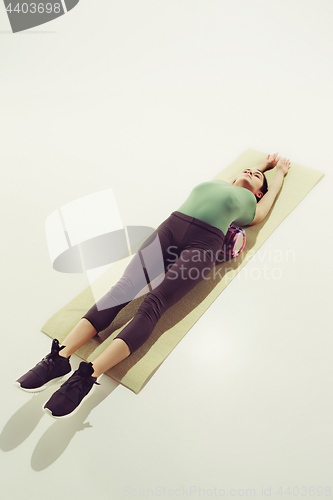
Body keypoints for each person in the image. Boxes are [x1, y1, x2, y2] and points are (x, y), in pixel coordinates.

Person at [15, 153, 291, 418]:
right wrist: (262, 164)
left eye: (257, 177)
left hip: (204, 244)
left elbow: (270, 199)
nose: (252, 173)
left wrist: (277, 172)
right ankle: (59, 358)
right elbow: (241, 175)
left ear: (258, 194)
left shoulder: (251, 206)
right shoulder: (221, 183)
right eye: (249, 170)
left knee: (153, 304)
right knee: (122, 288)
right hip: (171, 227)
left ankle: (87, 376)